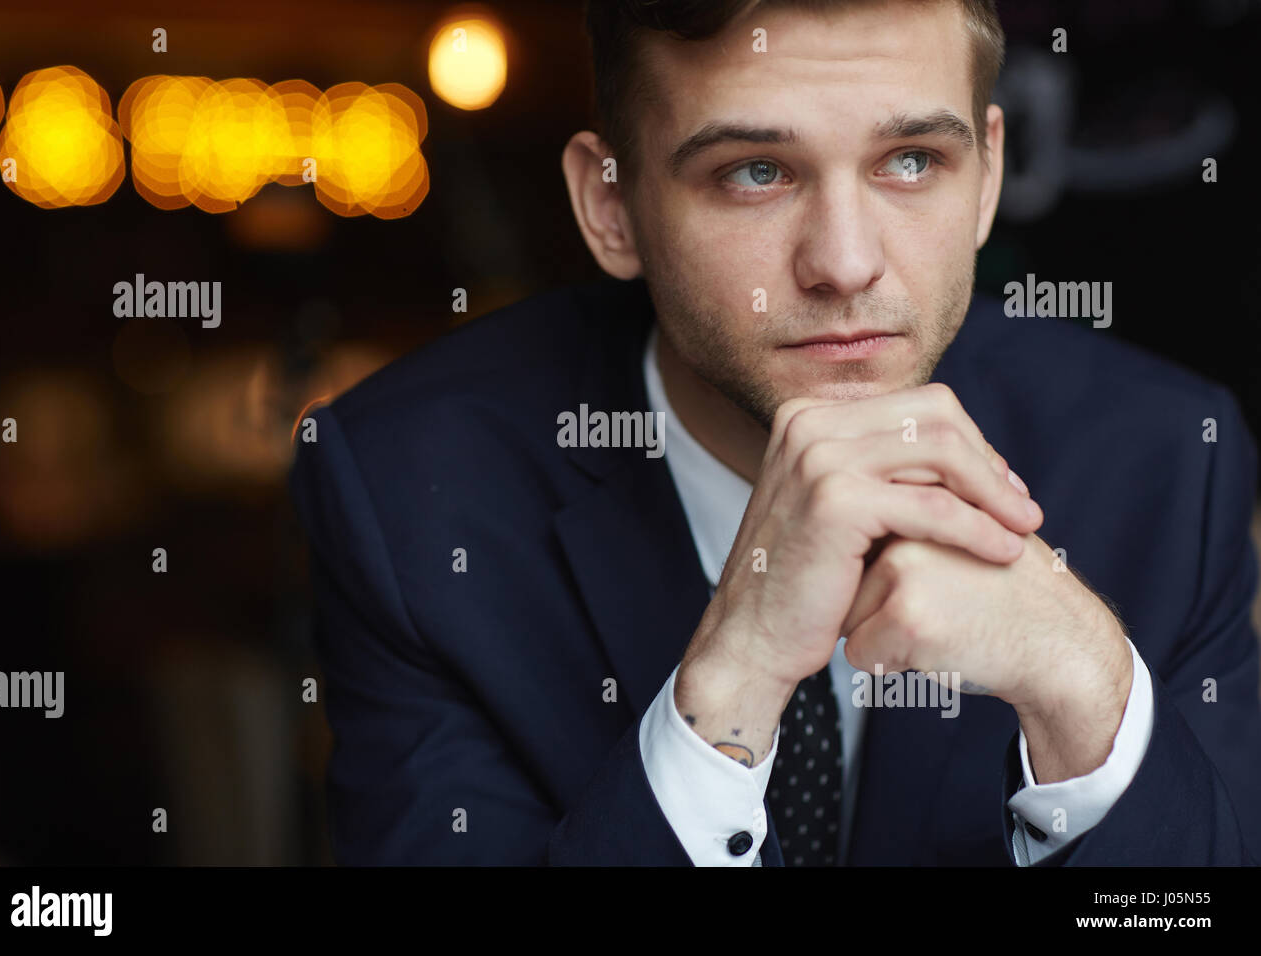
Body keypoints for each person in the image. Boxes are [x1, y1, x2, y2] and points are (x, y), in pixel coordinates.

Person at [289, 0, 1261, 865]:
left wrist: (1088, 692)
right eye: (756, 171)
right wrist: (734, 676)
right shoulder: (405, 489)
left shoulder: (1171, 459)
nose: (844, 263)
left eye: (912, 161)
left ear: (986, 175)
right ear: (611, 205)